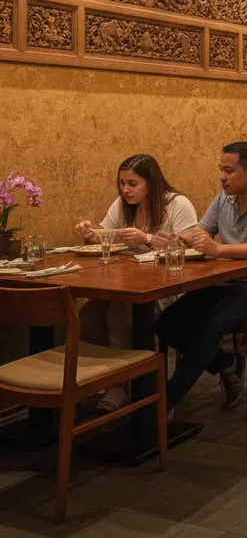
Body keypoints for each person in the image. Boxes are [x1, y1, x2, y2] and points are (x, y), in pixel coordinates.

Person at [156, 141, 247, 414]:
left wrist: (218, 248)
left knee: (212, 325)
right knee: (166, 321)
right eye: (221, 170)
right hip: (227, 281)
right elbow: (201, 230)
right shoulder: (224, 199)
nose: (222, 177)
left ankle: (165, 403)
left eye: (229, 171)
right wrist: (179, 239)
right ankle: (226, 363)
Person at [73, 154, 198, 413]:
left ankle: (122, 387)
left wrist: (148, 238)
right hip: (127, 282)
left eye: (133, 184)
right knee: (87, 316)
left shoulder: (176, 203)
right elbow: (106, 236)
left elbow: (189, 246)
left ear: (151, 183)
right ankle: (115, 378)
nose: (125, 190)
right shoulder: (122, 204)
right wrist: (89, 234)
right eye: (121, 183)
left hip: (169, 284)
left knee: (119, 313)